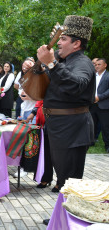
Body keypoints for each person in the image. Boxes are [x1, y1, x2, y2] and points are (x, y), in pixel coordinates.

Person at [23, 15, 95, 196]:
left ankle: (66, 222)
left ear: (76, 44)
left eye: (63, 39)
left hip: (72, 128)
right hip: (58, 126)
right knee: (63, 177)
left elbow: (76, 85)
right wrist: (42, 63)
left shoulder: (82, 63)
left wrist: (51, 63)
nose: (59, 43)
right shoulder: (62, 61)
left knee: (70, 180)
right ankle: (60, 219)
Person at [90, 58, 109, 153]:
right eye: (96, 65)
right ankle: (91, 141)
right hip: (92, 105)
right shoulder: (93, 76)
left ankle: (107, 145)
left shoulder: (108, 76)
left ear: (105, 65)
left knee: (105, 126)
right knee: (92, 124)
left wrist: (99, 97)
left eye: (99, 64)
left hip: (104, 105)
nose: (96, 66)